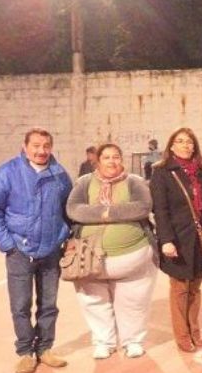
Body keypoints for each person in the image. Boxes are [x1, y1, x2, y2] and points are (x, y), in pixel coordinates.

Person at [0, 128, 72, 373]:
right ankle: (25, 352)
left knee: (49, 305)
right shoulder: (6, 174)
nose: (41, 151)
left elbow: (68, 209)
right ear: (25, 146)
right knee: (20, 305)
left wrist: (65, 236)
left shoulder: (60, 175)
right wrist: (8, 245)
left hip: (51, 251)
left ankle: (45, 349)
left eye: (46, 146)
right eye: (36, 145)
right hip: (19, 253)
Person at [66, 143, 158, 359]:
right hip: (89, 256)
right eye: (106, 157)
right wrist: (110, 213)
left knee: (134, 302)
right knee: (94, 301)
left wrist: (102, 212)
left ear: (121, 159)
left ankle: (133, 341)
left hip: (132, 256)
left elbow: (142, 207)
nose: (112, 161)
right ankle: (103, 342)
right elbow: (74, 209)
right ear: (97, 161)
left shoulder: (134, 181)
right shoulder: (84, 182)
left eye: (116, 157)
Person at [149, 128, 202, 353]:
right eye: (180, 141)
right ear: (171, 146)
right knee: (180, 289)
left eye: (189, 142)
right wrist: (166, 240)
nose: (185, 145)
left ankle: (195, 332)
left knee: (195, 288)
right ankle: (182, 336)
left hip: (200, 239)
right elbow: (160, 210)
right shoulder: (162, 172)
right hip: (177, 238)